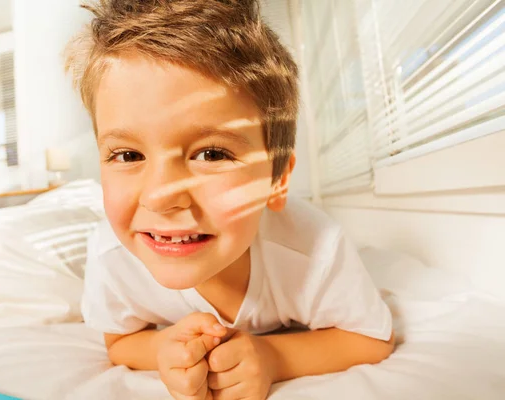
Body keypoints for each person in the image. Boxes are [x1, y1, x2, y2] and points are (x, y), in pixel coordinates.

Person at [65, 1, 395, 399]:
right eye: (128, 155)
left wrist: (273, 357)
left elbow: (372, 338)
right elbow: (118, 342)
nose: (159, 197)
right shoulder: (111, 256)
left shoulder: (315, 249)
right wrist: (161, 348)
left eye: (211, 154)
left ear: (276, 179)